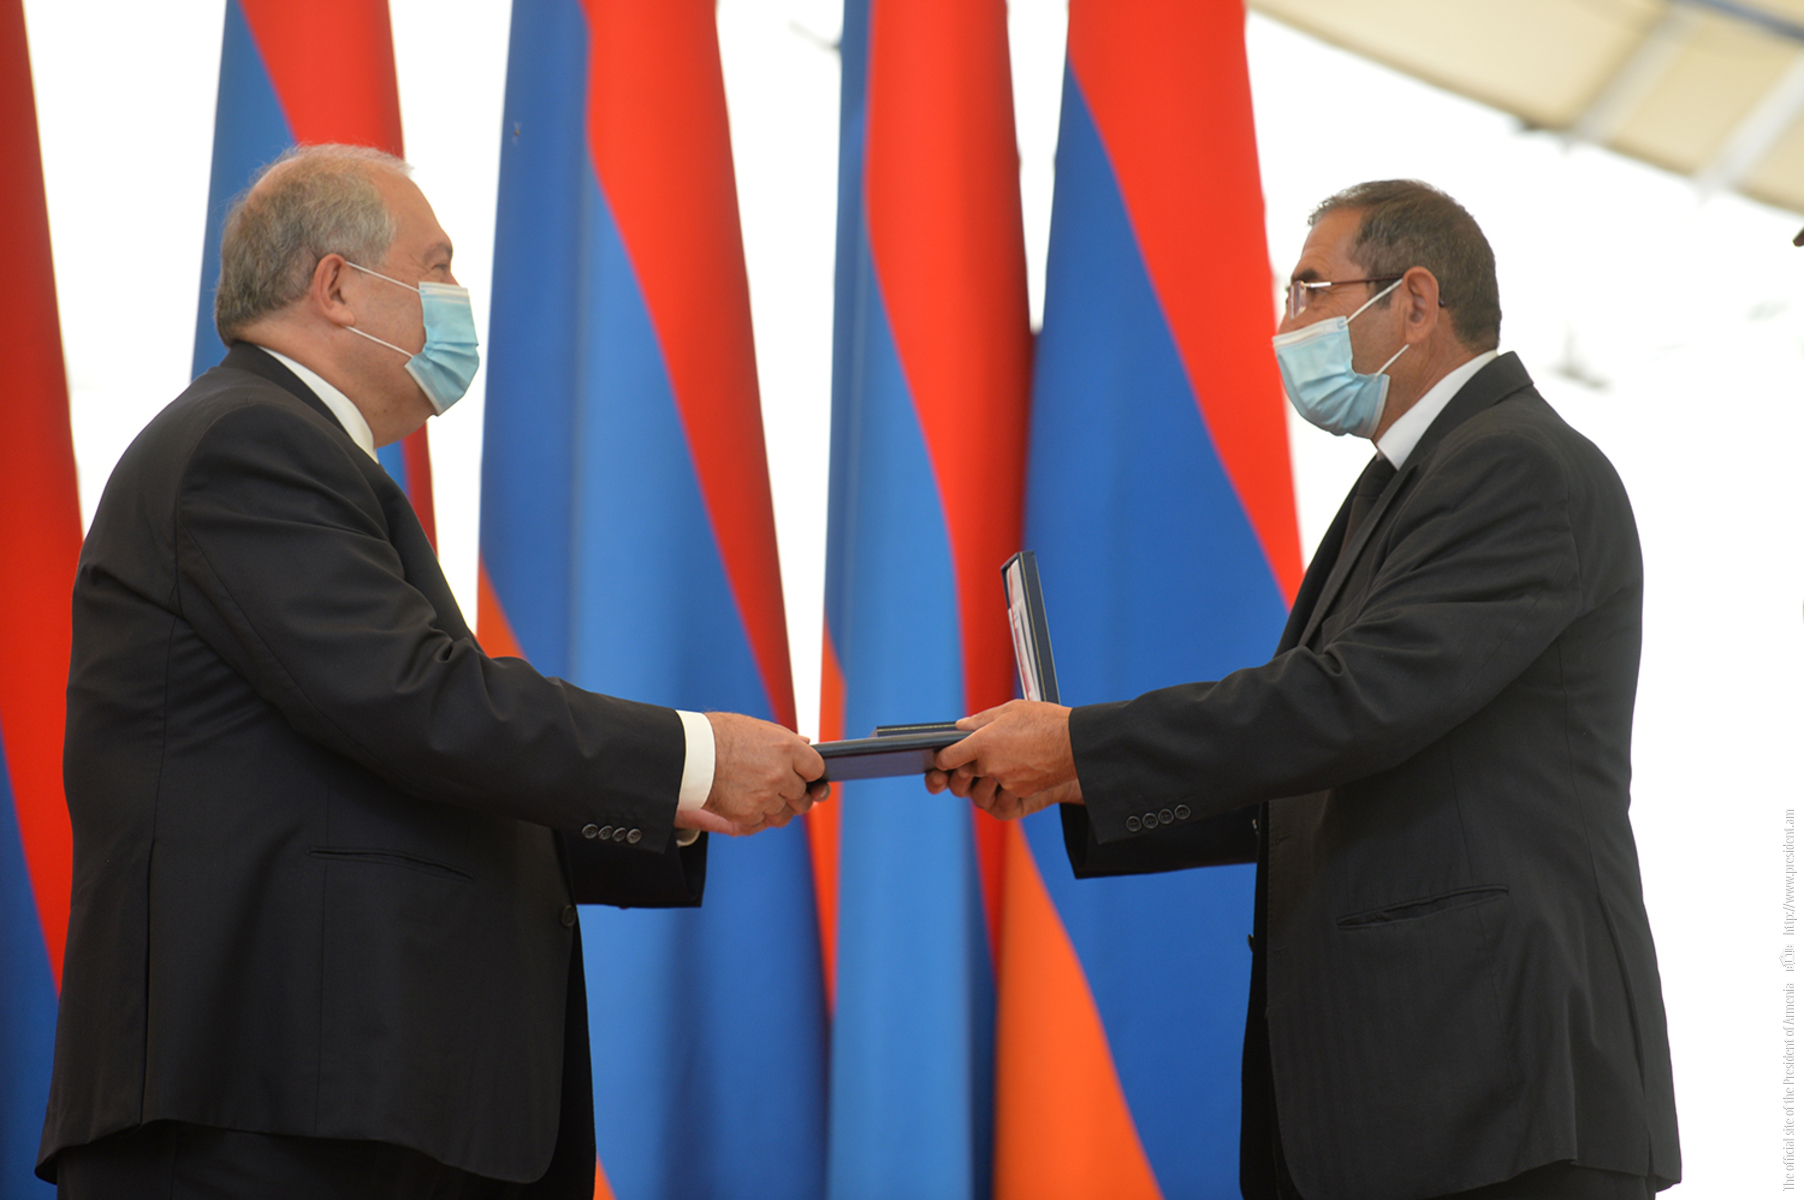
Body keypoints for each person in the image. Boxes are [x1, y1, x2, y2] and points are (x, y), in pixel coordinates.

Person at [37, 143, 826, 1199]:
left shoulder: (291, 451)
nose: (458, 298)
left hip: (320, 1104)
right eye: (438, 265)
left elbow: (380, 764)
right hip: (263, 1111)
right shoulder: (249, 442)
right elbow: (415, 701)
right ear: (335, 286)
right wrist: (691, 756)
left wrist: (672, 804)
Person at [932, 181, 1680, 1199]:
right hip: (1410, 1094)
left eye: (1309, 292)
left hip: (1498, 1089)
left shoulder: (1515, 465)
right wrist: (1077, 778)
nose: (1286, 330)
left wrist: (1084, 746)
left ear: (1415, 302)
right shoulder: (1406, 481)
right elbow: (1331, 757)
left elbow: (1351, 705)